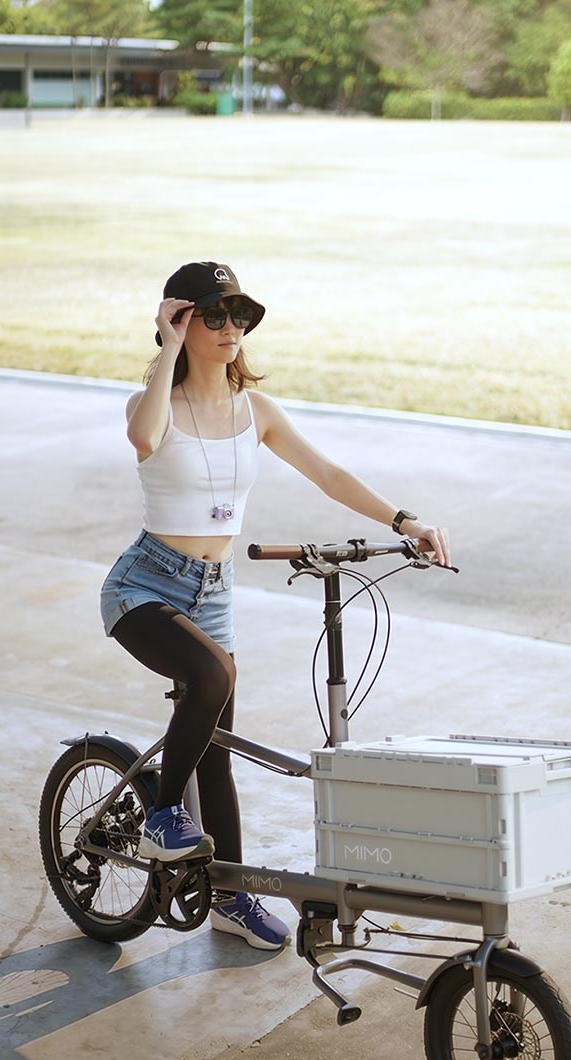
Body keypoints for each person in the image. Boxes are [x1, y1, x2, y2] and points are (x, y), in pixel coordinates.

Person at [100, 262, 450, 952]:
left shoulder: (255, 410)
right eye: (213, 315)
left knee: (217, 751)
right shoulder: (151, 402)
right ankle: (162, 815)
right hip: (145, 584)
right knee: (213, 676)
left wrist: (404, 520)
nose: (230, 328)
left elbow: (328, 473)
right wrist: (167, 345)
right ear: (180, 320)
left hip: (214, 590)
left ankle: (229, 899)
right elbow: (144, 440)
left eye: (238, 315)